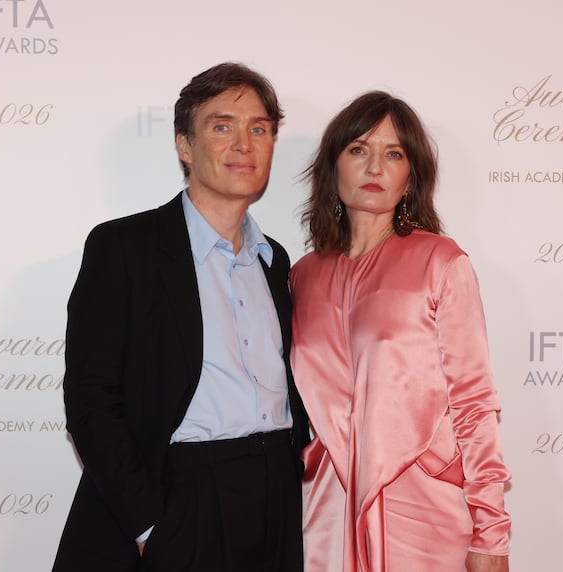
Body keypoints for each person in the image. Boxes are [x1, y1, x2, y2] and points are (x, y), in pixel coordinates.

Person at [52, 62, 309, 572]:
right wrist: (149, 524)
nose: (244, 143)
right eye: (222, 126)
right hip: (181, 496)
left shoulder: (276, 260)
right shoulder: (125, 248)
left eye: (259, 128)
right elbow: (90, 398)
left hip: (275, 492)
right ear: (184, 147)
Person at [290, 91, 511, 572]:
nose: (375, 167)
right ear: (334, 168)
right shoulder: (302, 276)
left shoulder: (440, 262)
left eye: (393, 154)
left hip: (423, 508)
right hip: (326, 509)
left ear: (410, 179)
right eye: (358, 150)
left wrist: (490, 532)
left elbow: (473, 404)